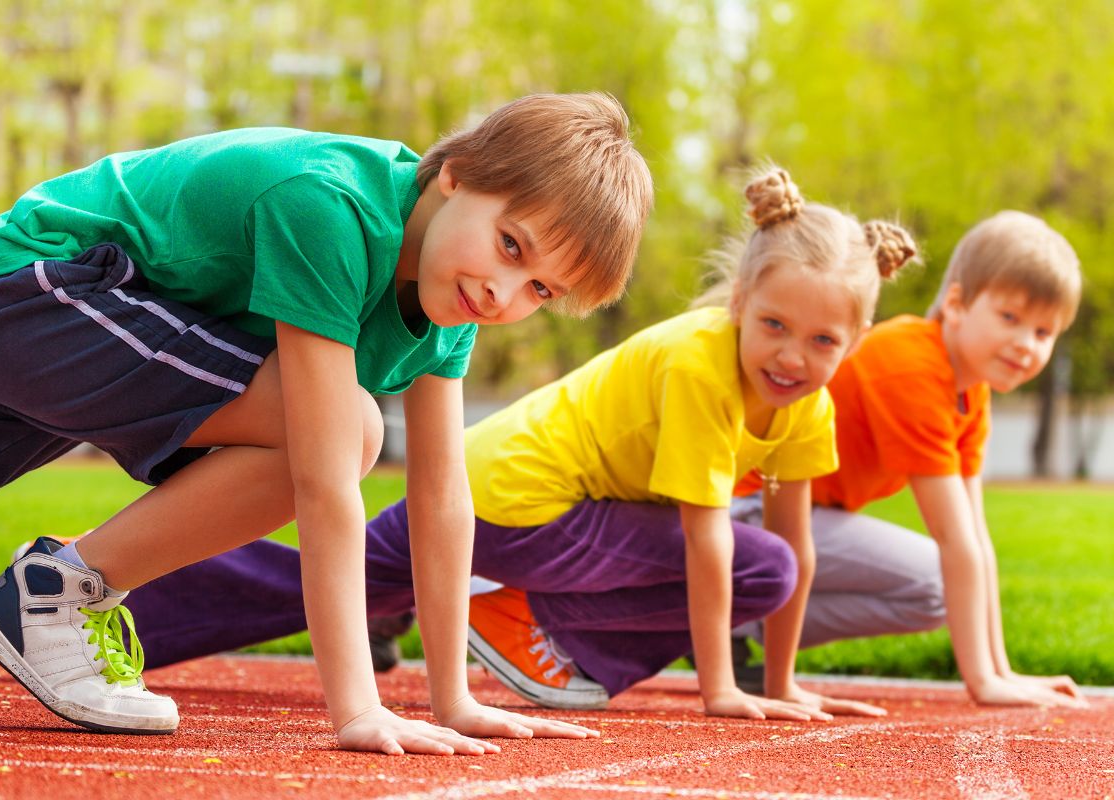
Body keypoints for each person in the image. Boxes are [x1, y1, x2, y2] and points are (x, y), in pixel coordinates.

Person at [0, 93, 654, 753]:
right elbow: (324, 476)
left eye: (540, 289)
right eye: (511, 245)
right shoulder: (329, 207)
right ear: (457, 174)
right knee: (347, 431)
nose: (503, 294)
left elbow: (441, 496)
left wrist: (452, 698)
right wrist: (359, 710)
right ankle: (58, 590)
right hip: (45, 291)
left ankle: (56, 587)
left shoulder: (449, 302)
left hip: (97, 321)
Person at [112, 168, 916, 722]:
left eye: (820, 341)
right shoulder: (700, 365)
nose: (791, 356)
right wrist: (721, 691)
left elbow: (801, 545)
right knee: (755, 566)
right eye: (773, 325)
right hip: (520, 500)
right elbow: (712, 544)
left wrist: (785, 684)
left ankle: (114, 611)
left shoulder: (806, 399)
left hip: (509, 492)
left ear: (856, 340)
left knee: (340, 579)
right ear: (741, 301)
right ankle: (522, 628)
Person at [470, 210, 1088, 711]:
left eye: (1042, 332)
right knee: (924, 575)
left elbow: (978, 536)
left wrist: (1006, 671)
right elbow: (954, 539)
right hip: (736, 501)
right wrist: (983, 683)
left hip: (780, 514)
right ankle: (726, 627)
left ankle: (740, 633)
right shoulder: (911, 363)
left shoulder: (968, 390)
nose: (1024, 344)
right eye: (1009, 317)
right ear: (954, 303)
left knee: (917, 585)